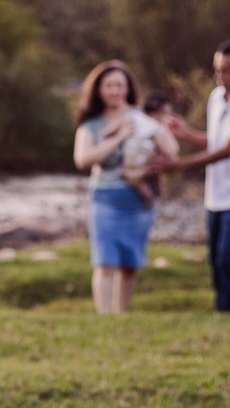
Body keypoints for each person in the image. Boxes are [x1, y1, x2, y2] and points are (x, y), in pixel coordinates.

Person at [152, 39, 230, 313]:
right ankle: (222, 307)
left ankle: (229, 310)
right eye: (216, 69)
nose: (218, 76)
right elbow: (216, 140)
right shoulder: (216, 98)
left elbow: (227, 150)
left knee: (229, 255)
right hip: (216, 192)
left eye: (225, 71)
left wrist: (178, 165)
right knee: (215, 256)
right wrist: (187, 134)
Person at [73, 60, 178, 313]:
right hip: (106, 198)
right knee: (105, 260)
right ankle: (104, 316)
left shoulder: (140, 119)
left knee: (130, 262)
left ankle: (121, 315)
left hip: (138, 200)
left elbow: (172, 151)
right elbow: (83, 159)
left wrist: (156, 132)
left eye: (119, 85)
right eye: (109, 85)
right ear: (98, 90)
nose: (114, 90)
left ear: (128, 88)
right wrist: (118, 136)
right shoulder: (92, 125)